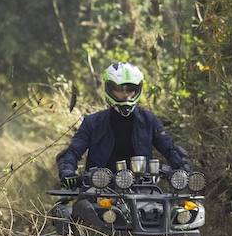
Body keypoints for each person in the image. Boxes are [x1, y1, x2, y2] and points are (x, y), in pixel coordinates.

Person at [56, 62, 191, 188]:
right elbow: (73, 152)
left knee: (178, 212)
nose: (125, 94)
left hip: (143, 190)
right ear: (109, 89)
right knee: (75, 211)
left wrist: (183, 171)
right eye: (120, 89)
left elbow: (169, 149)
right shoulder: (92, 122)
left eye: (131, 89)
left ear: (138, 89)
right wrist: (67, 172)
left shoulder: (149, 120)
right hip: (99, 190)